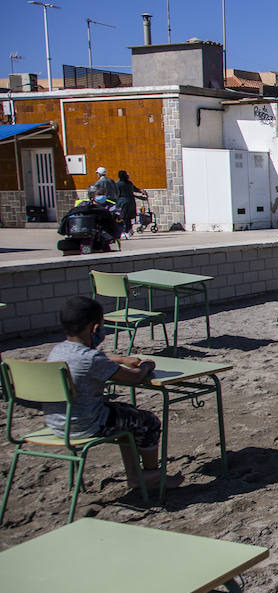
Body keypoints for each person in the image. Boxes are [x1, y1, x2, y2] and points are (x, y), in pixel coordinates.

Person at [45, 296, 164, 495]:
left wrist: (120, 359)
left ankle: (135, 474)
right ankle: (151, 474)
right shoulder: (92, 358)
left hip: (58, 423)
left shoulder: (57, 351)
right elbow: (134, 378)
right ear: (94, 328)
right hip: (87, 424)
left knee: (127, 412)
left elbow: (95, 360)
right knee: (148, 421)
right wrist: (146, 366)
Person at [57, 184, 121, 255]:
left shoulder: (110, 206)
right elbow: (75, 213)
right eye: (99, 194)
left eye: (103, 194)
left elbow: (117, 214)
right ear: (92, 196)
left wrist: (115, 216)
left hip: (102, 233)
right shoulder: (84, 205)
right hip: (84, 230)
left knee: (103, 246)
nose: (102, 196)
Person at [113, 170, 148, 238]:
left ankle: (125, 231)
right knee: (128, 217)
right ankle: (129, 229)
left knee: (123, 217)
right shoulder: (129, 183)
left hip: (122, 202)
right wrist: (141, 191)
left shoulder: (118, 184)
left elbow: (116, 193)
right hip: (131, 201)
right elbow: (135, 189)